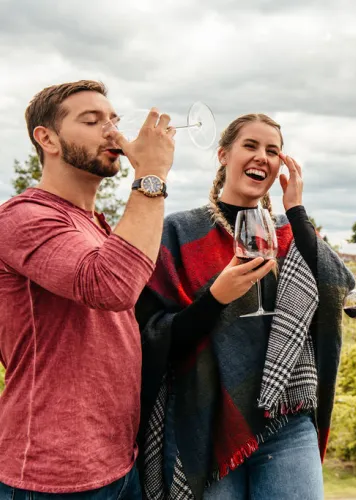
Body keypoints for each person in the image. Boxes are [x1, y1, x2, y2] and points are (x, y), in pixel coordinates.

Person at [135, 113, 355, 500]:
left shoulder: (288, 232)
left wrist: (298, 210)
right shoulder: (180, 232)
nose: (262, 157)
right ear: (223, 155)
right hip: (208, 417)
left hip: (287, 418)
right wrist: (216, 299)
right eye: (250, 146)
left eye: (273, 151)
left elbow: (337, 287)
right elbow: (154, 335)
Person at [0, 80, 175, 497]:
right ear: (47, 138)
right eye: (92, 121)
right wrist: (150, 175)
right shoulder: (23, 217)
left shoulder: (96, 226)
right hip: (52, 472)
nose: (113, 132)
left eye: (113, 120)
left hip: (117, 461)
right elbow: (111, 286)